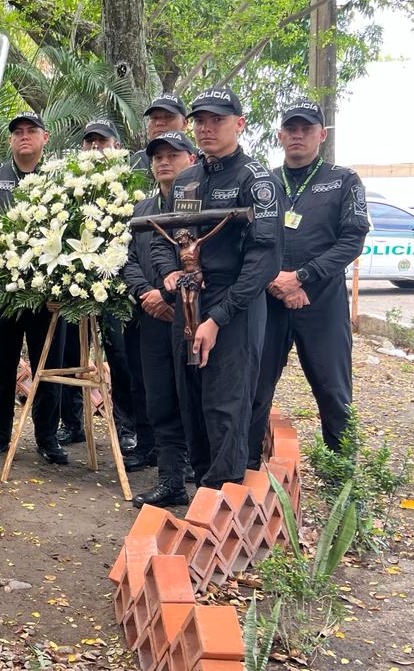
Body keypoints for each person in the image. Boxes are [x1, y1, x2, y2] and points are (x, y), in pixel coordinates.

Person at [151, 86, 281, 490]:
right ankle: (201, 495)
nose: (207, 128)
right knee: (190, 402)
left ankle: (221, 500)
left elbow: (265, 260)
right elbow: (166, 237)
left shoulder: (256, 180)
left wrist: (218, 319)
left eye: (218, 120)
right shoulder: (187, 179)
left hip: (234, 306)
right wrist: (170, 274)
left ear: (239, 124)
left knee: (226, 406)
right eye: (200, 120)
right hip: (188, 302)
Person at [248, 100, 369, 464]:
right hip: (268, 300)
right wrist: (275, 280)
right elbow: (246, 238)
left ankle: (342, 476)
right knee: (255, 387)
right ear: (280, 135)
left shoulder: (343, 180)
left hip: (321, 301)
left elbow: (353, 239)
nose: (298, 135)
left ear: (322, 134)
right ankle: (246, 468)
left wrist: (301, 278)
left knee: (333, 391)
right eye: (291, 129)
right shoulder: (263, 182)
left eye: (306, 128)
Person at [0, 112, 68, 464]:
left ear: (45, 138)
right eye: (17, 132)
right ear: (10, 140)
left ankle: (47, 437)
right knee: (2, 366)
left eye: (31, 131)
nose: (24, 136)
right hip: (3, 295)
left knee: (49, 367)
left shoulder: (58, 180)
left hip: (47, 297)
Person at [57, 119, 143, 453]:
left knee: (121, 358)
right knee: (69, 355)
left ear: (117, 148)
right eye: (89, 142)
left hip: (117, 291)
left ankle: (127, 427)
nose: (95, 148)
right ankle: (72, 424)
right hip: (76, 287)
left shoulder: (132, 188)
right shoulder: (69, 187)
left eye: (102, 142)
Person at [125, 131, 199, 508]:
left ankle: (201, 478)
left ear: (191, 158)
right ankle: (170, 481)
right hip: (152, 316)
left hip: (192, 316)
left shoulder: (198, 204)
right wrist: (147, 295)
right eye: (157, 157)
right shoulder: (142, 209)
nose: (164, 162)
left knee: (195, 398)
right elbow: (128, 260)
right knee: (160, 400)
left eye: (173, 154)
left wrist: (170, 296)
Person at [128, 95, 188, 175]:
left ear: (184, 123)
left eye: (168, 116)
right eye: (155, 118)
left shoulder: (201, 159)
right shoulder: (137, 161)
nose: (159, 123)